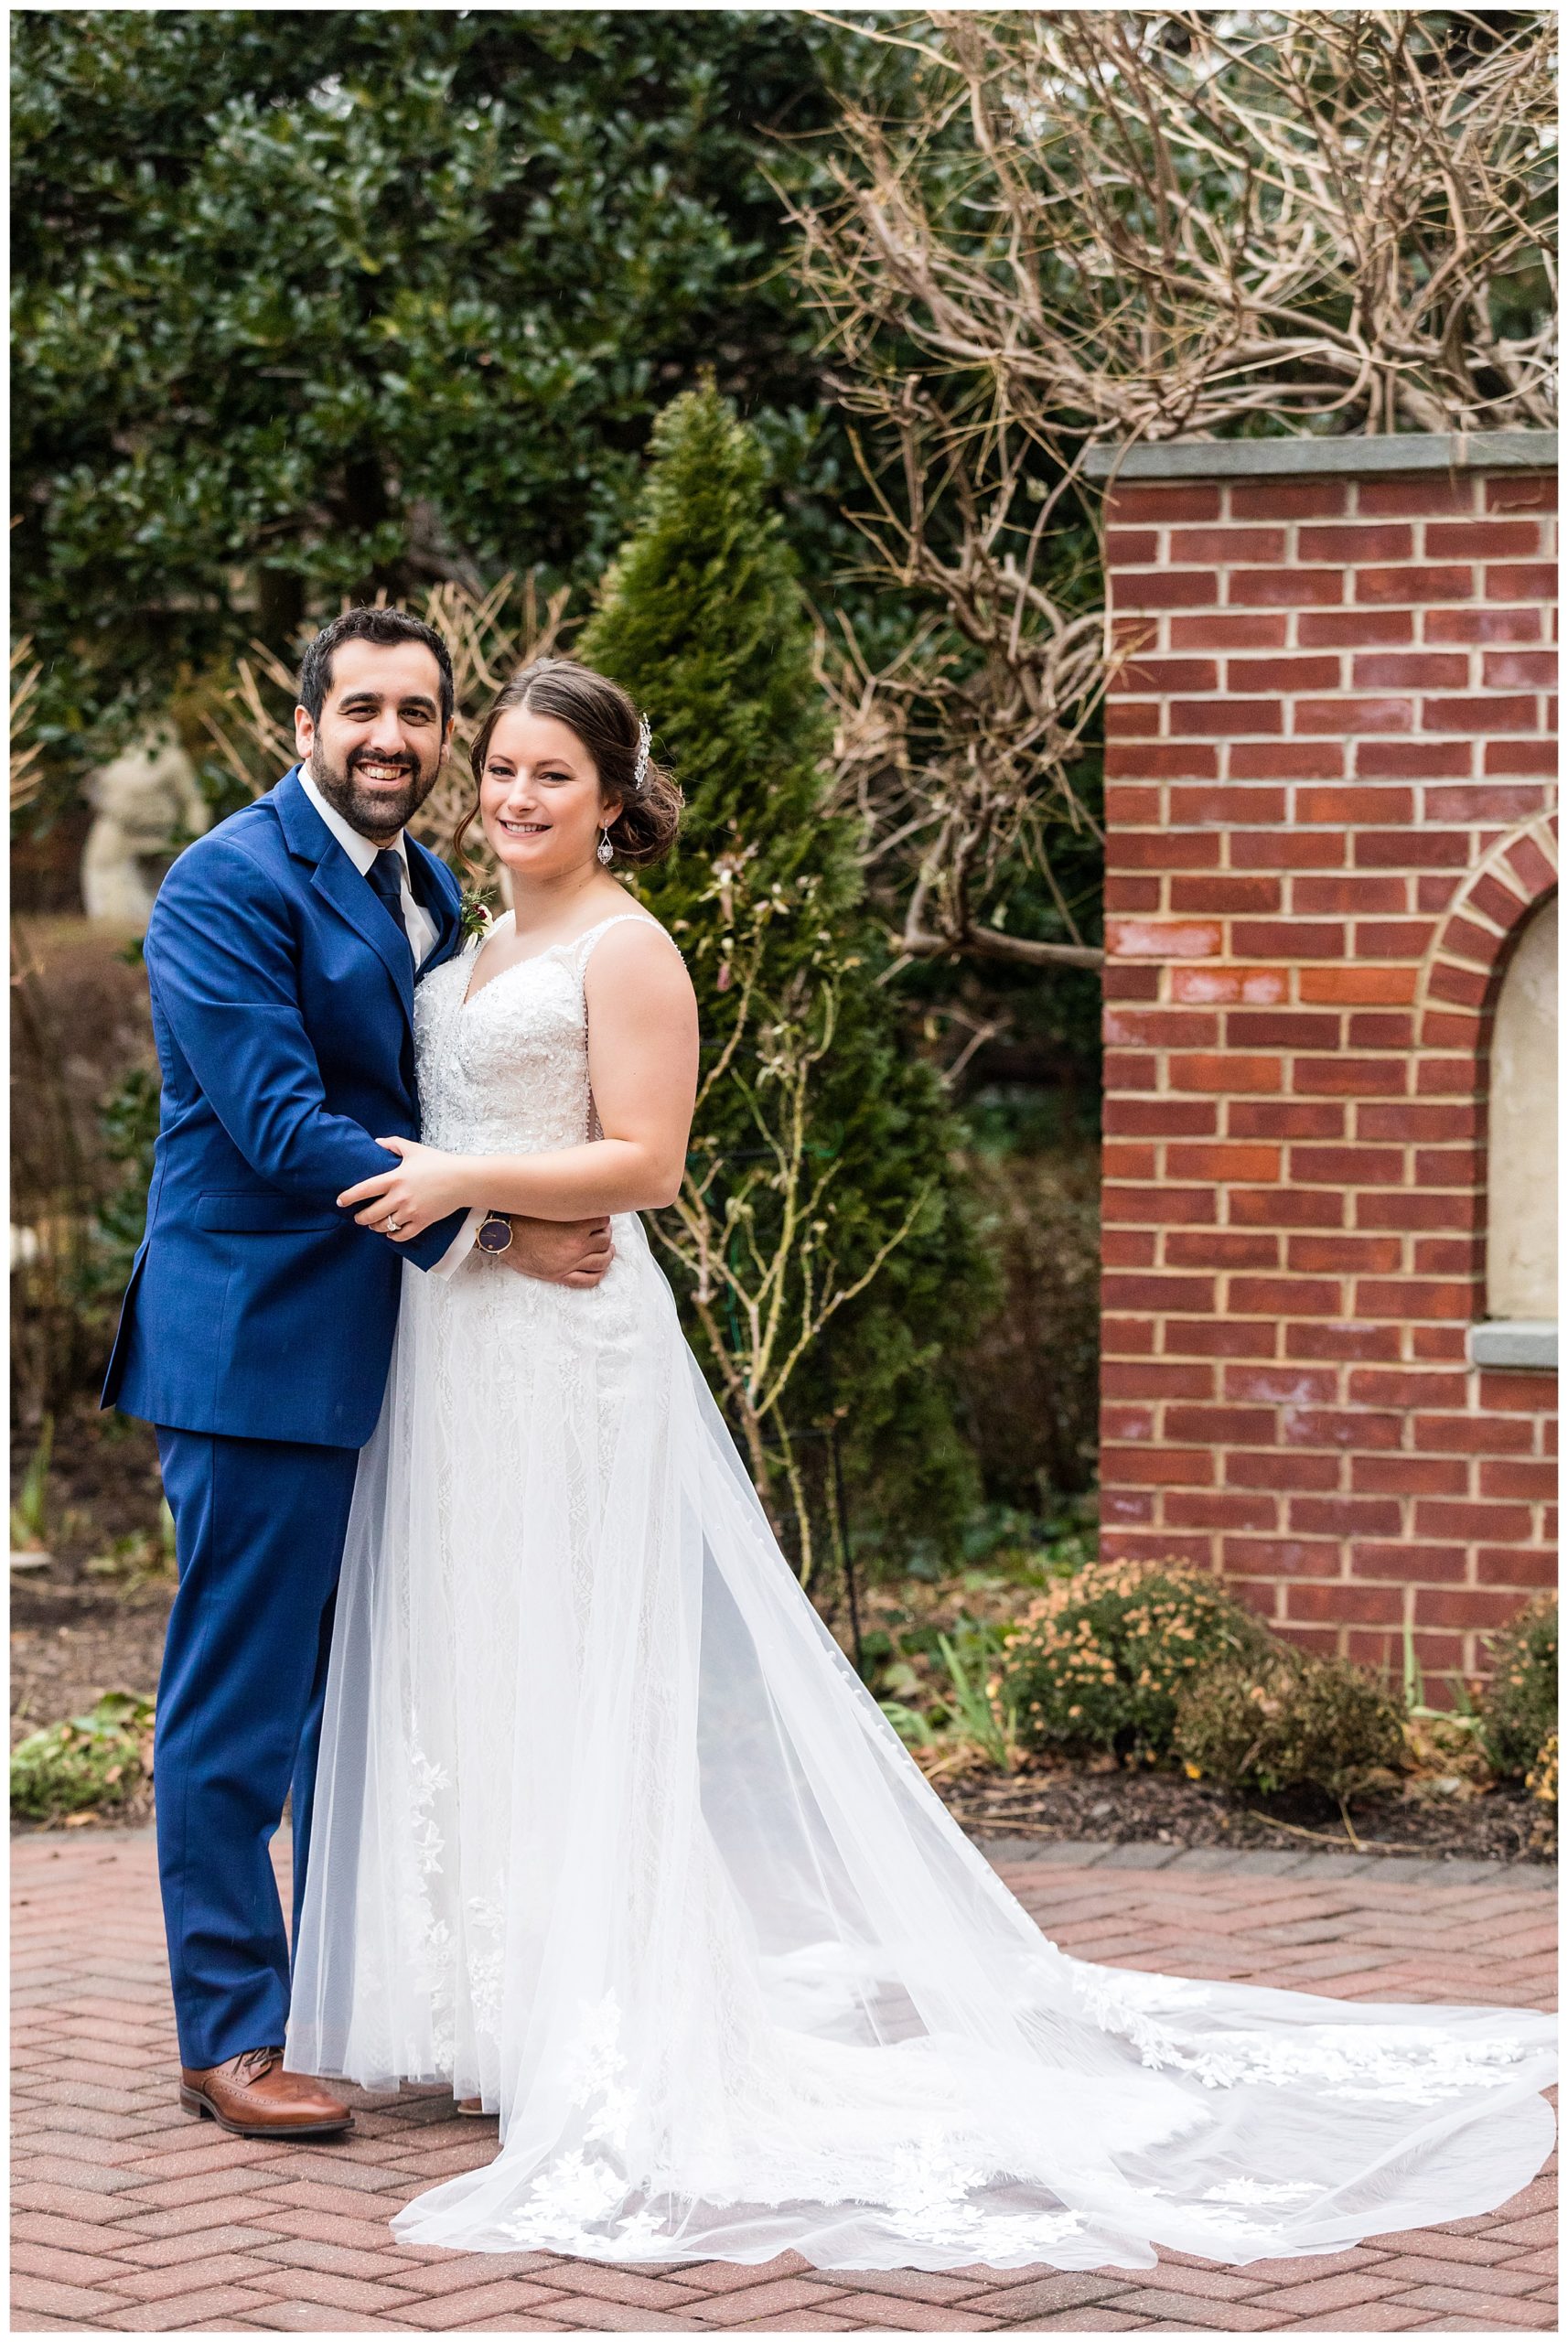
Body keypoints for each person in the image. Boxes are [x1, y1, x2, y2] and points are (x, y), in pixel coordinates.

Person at [287, 654, 1556, 2272]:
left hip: (571, 1366)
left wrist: (475, 1177)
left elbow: (651, 1163)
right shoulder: (464, 945)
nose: (517, 797)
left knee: (580, 1666)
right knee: (482, 1659)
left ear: (612, 797)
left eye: (553, 775)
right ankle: (491, 2006)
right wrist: (500, 1216)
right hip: (462, 1344)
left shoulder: (627, 946)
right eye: (505, 770)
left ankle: (595, 2013)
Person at [102, 608, 613, 2141]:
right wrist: (498, 1227)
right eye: (364, 708)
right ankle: (230, 2039)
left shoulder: (427, 883)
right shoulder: (224, 883)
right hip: (256, 1350)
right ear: (304, 722)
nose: (393, 735)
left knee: (358, 1699)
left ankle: (336, 1999)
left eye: (421, 711)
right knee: (240, 1710)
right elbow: (271, 1121)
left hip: (394, 1350)